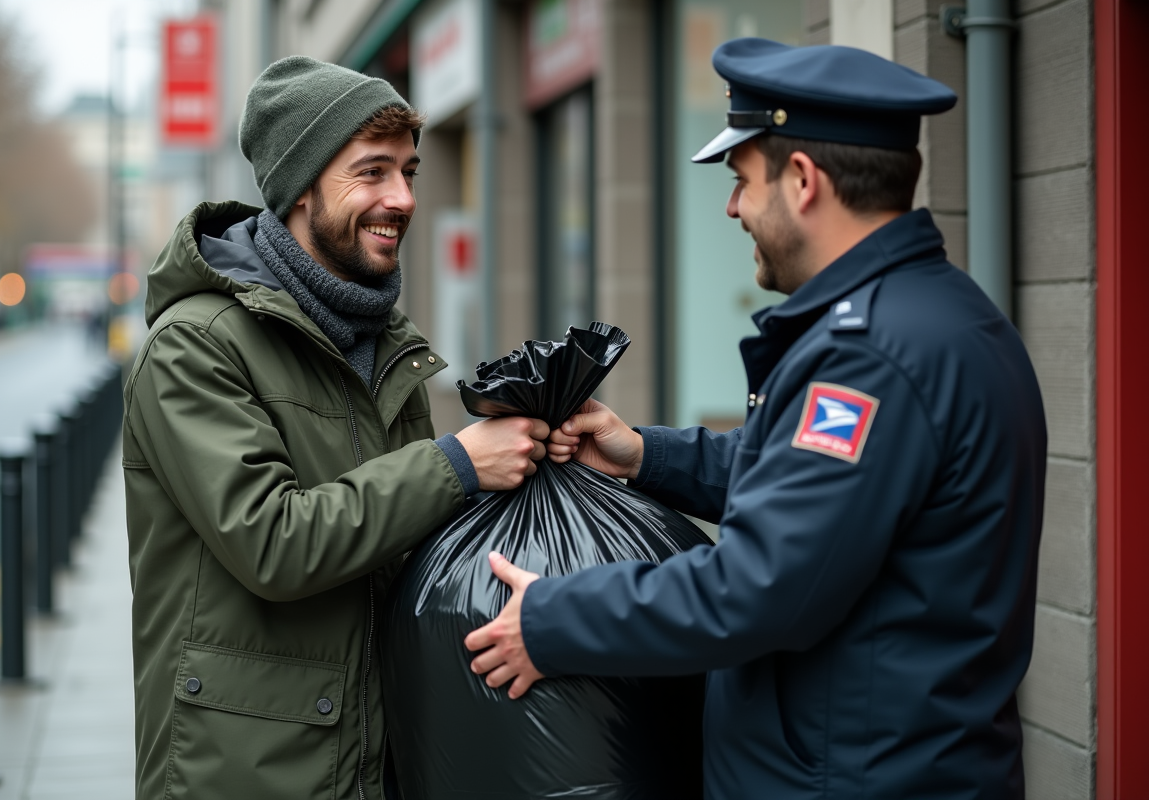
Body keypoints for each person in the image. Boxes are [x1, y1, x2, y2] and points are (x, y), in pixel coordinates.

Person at [466, 37, 1047, 799]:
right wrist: (645, 454)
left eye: (742, 180)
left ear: (802, 180)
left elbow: (760, 586)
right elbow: (828, 498)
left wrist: (554, 618)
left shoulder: (869, 357)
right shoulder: (938, 315)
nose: (734, 207)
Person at [123, 57, 547, 800]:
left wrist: (527, 480)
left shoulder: (383, 340)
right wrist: (457, 464)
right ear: (301, 184)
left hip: (371, 752)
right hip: (243, 768)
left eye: (410, 172)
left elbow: (409, 540)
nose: (403, 198)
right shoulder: (195, 345)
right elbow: (273, 542)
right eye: (373, 172)